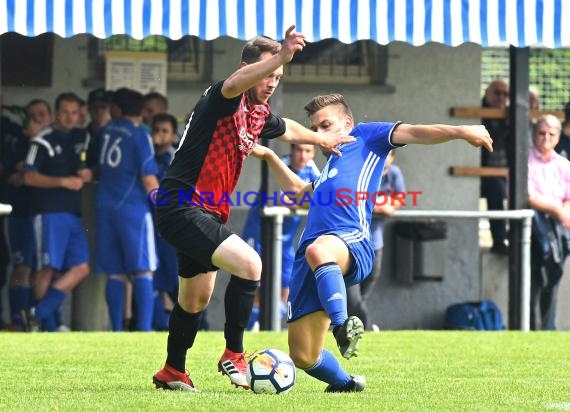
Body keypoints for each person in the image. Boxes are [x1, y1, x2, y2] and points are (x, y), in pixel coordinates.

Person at [151, 26, 354, 392]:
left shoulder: (257, 114)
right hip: (181, 205)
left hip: (206, 214)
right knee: (251, 264)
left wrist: (321, 138)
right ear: (247, 68)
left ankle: (172, 371)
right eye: (267, 73)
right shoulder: (223, 96)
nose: (272, 80)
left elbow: (288, 128)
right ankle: (234, 353)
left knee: (194, 298)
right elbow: (233, 84)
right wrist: (280, 56)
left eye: (278, 76)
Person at [251, 93, 492, 392]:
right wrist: (270, 156)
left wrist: (461, 131)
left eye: (326, 125)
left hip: (352, 240)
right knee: (303, 354)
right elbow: (300, 193)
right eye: (316, 129)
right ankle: (346, 384)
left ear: (348, 123)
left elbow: (416, 132)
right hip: (314, 255)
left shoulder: (366, 137)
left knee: (319, 249)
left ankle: (342, 325)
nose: (320, 134)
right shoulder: (328, 168)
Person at [23, 92, 91, 332]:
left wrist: (89, 174)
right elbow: (28, 176)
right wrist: (63, 182)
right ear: (55, 113)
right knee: (47, 268)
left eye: (74, 112)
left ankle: (38, 313)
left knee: (82, 267)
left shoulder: (80, 138)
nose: (70, 117)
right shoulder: (42, 140)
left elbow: (90, 168)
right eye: (64, 111)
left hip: (73, 213)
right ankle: (48, 325)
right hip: (48, 211)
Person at [94, 88, 159, 332]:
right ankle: (143, 329)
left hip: (104, 206)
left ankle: (116, 329)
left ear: (117, 109)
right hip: (133, 208)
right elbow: (149, 179)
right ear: (140, 111)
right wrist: (165, 206)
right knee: (143, 269)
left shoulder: (106, 132)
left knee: (115, 272)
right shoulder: (140, 136)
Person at [243, 143, 320, 331]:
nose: (303, 155)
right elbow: (276, 198)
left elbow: (322, 200)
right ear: (292, 150)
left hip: (285, 242)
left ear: (314, 153)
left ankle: (272, 328)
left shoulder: (312, 171)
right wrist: (303, 202)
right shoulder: (279, 165)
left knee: (287, 289)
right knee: (257, 286)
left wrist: (301, 202)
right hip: (259, 234)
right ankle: (252, 329)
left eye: (308, 151)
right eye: (299, 150)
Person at [346, 149, 405, 331]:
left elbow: (399, 198)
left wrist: (389, 206)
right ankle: (364, 325)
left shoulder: (394, 173)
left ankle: (351, 320)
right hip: (353, 240)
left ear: (393, 157)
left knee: (372, 276)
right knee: (352, 289)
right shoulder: (363, 170)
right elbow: (357, 201)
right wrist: (380, 205)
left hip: (375, 240)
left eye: (388, 154)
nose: (384, 158)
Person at [528, 114, 570, 330]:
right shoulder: (524, 160)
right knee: (533, 281)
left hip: (558, 230)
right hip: (533, 229)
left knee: (553, 280)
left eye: (551, 134)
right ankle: (530, 329)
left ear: (558, 137)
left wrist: (563, 212)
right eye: (541, 133)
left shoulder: (564, 165)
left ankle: (547, 328)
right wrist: (556, 209)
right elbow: (528, 197)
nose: (546, 138)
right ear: (534, 135)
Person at [149, 113, 182, 331]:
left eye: (165, 131)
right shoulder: (148, 158)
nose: (159, 135)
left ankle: (199, 324)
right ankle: (160, 325)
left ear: (172, 136)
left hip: (171, 229)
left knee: (174, 282)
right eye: (156, 130)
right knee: (156, 280)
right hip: (152, 227)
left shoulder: (175, 160)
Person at [481, 79, 510, 254]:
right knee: (496, 188)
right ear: (487, 93)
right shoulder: (481, 112)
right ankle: (499, 242)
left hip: (506, 172)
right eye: (497, 92)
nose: (501, 97)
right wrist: (507, 123)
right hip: (483, 173)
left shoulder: (509, 112)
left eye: (505, 94)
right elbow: (491, 143)